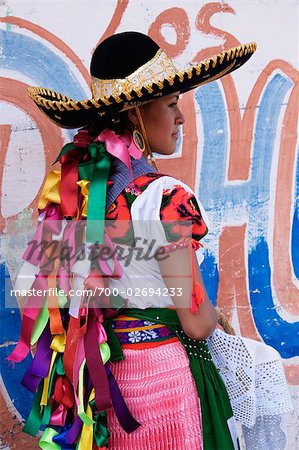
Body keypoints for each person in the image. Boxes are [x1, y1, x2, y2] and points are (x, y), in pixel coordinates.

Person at [7, 31, 292, 450]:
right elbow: (195, 322)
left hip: (107, 390)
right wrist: (217, 319)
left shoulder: (74, 202)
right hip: (164, 385)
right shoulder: (167, 198)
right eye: (173, 104)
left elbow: (37, 293)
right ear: (137, 113)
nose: (180, 119)